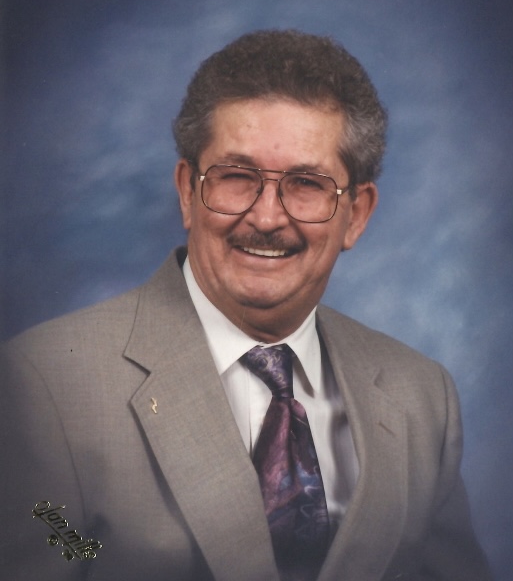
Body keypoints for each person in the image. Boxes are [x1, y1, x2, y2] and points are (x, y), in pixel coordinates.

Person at [0, 30, 492, 581]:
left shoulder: (421, 397)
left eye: (306, 184)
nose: (266, 217)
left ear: (356, 215)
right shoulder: (45, 384)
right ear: (187, 192)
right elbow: (60, 551)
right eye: (237, 177)